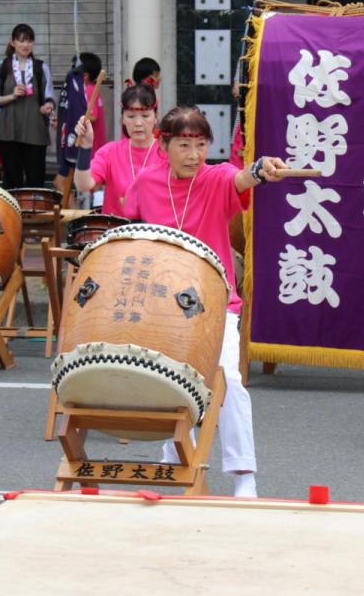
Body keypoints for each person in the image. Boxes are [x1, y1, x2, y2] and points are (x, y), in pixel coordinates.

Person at [121, 105, 289, 497]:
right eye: (184, 144)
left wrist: (261, 168)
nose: (194, 154)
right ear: (165, 145)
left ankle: (244, 474)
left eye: (200, 144)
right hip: (159, 303)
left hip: (216, 300)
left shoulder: (215, 178)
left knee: (228, 378)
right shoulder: (147, 182)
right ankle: (173, 450)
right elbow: (127, 225)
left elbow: (243, 177)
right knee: (162, 376)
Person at [72, 82, 165, 215]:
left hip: (155, 232)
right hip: (116, 231)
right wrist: (86, 145)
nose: (138, 123)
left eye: (145, 116)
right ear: (123, 119)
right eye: (131, 116)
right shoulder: (110, 152)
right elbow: (83, 185)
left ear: (156, 118)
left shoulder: (167, 153)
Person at [0, 23, 55, 190]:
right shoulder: (2, 67)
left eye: (29, 41)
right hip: (8, 131)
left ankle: (35, 214)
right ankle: (12, 214)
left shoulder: (41, 67)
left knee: (36, 179)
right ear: (12, 42)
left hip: (34, 131)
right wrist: (12, 96)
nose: (25, 45)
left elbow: (49, 96)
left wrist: (47, 106)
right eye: (21, 41)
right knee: (12, 180)